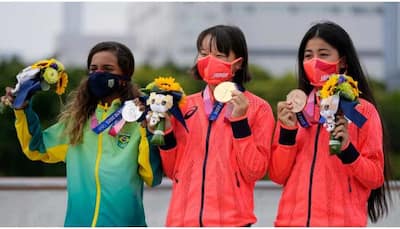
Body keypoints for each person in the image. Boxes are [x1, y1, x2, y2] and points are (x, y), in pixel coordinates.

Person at [1, 41, 163, 226]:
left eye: (107, 68)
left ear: (125, 75)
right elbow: (36, 147)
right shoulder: (77, 122)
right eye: (93, 69)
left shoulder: (140, 120)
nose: (98, 74)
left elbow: (152, 176)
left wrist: (147, 131)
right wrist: (22, 108)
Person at [268, 21, 391, 226]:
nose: (314, 61)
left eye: (323, 54)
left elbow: (375, 177)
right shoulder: (294, 110)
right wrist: (287, 133)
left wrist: (348, 150)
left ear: (342, 61)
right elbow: (278, 176)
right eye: (308, 56)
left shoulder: (361, 111)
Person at [156, 25, 275, 226]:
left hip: (232, 221)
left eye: (219, 55)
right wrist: (165, 132)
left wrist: (240, 123)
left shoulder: (258, 108)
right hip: (183, 220)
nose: (209, 60)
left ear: (238, 63)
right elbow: (172, 170)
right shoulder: (183, 106)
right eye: (203, 53)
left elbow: (255, 171)